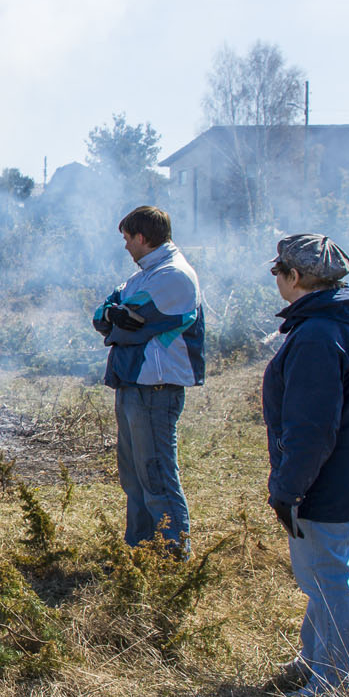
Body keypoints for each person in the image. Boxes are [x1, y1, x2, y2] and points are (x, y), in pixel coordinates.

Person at [263, 233, 349, 697]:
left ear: (294, 277)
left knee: (328, 576)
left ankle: (342, 684)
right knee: (333, 568)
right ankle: (318, 658)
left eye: (278, 271)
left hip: (326, 478)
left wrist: (288, 487)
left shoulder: (317, 334)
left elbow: (313, 429)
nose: (277, 278)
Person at [92, 205, 206, 552]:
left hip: (155, 389)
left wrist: (116, 317)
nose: (125, 246)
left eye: (127, 239)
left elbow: (131, 325)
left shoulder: (174, 275)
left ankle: (172, 558)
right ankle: (140, 554)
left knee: (156, 476)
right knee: (134, 478)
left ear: (142, 238)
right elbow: (103, 316)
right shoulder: (141, 277)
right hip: (132, 386)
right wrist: (112, 315)